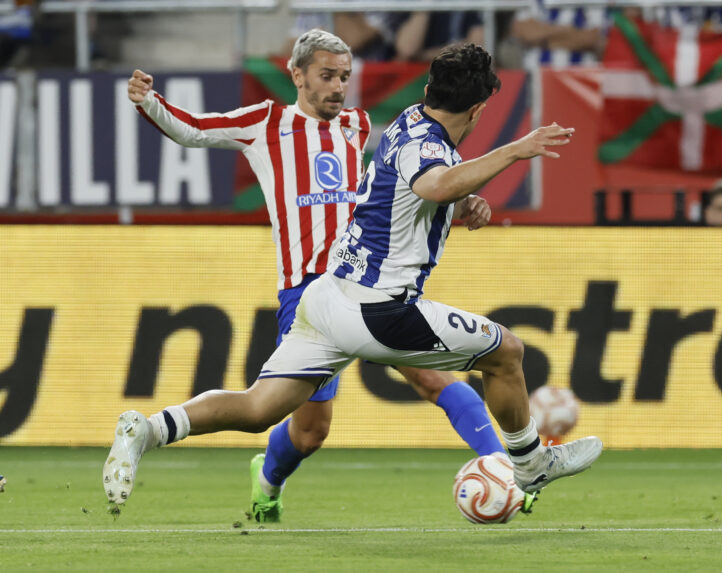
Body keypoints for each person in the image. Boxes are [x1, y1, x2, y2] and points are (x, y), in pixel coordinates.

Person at [104, 41, 602, 515]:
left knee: (261, 410)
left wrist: (459, 202)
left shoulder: (395, 121)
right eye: (328, 75)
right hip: (376, 306)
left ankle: (148, 430)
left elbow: (407, 191)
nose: (339, 86)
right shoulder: (392, 140)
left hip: (327, 296)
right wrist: (515, 150)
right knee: (507, 352)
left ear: (429, 90)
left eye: (344, 76)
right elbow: (432, 181)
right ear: (477, 111)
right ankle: (530, 463)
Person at [510, 1, 607, 67]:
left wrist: (542, 40)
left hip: (579, 81)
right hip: (537, 79)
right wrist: (569, 30)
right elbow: (522, 32)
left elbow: (594, 39)